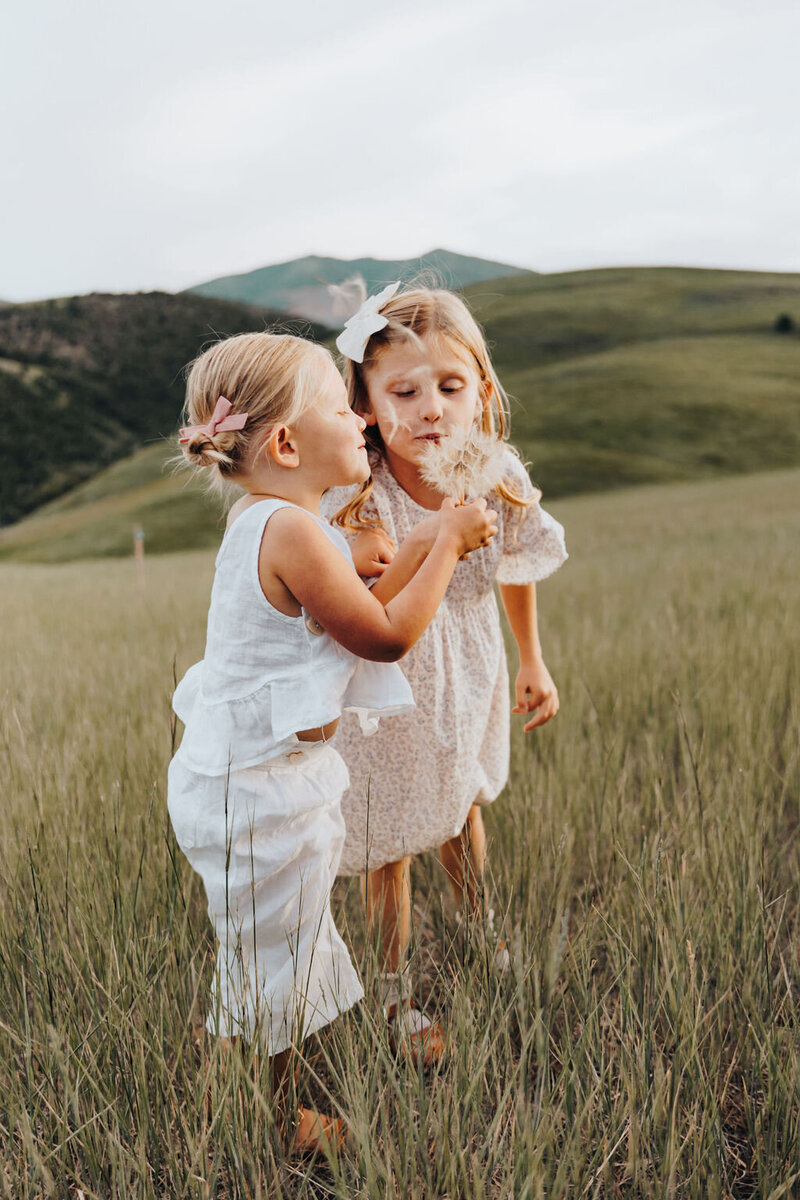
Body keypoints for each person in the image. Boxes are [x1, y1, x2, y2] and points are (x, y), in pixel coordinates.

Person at [167, 330, 497, 1152]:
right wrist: (447, 545)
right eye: (339, 406)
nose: (360, 417)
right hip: (261, 795)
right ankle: (256, 1121)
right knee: (273, 962)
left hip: (253, 781)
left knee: (278, 952)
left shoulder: (269, 520)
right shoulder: (296, 533)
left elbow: (346, 595)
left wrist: (402, 550)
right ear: (285, 443)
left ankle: (258, 1108)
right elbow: (383, 636)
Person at [322, 285, 568, 1066]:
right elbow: (365, 605)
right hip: (391, 684)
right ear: (363, 403)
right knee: (391, 831)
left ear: (482, 392)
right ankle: (393, 987)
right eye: (404, 391)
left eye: (451, 387)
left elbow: (519, 564)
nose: (431, 408)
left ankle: (480, 928)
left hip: (469, 666)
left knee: (462, 801)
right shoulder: (361, 497)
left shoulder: (494, 475)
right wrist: (435, 539)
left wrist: (532, 657)